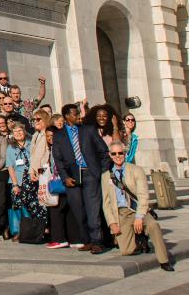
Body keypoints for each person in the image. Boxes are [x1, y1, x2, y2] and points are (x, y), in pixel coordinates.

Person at [101, 142, 173, 271]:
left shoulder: (136, 170)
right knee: (126, 251)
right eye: (114, 153)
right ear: (110, 155)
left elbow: (143, 195)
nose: (118, 156)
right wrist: (112, 223)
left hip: (137, 209)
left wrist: (139, 217)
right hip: (121, 213)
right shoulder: (106, 176)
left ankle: (164, 260)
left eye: (120, 153)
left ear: (125, 153)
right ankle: (140, 238)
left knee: (153, 226)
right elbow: (106, 203)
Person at [51, 103, 108, 254]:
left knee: (92, 208)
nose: (78, 116)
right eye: (75, 114)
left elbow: (103, 151)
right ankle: (87, 239)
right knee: (78, 210)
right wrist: (65, 177)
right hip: (72, 176)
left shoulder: (88, 130)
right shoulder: (59, 135)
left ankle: (97, 241)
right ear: (67, 117)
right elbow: (58, 159)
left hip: (90, 173)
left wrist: (100, 171)